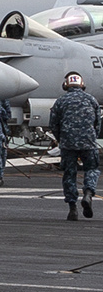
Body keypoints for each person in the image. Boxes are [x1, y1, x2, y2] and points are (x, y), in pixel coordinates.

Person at [51, 73, 101, 221]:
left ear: (66, 85)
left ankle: (72, 208)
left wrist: (61, 139)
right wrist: (92, 137)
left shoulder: (61, 101)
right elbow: (98, 123)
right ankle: (88, 193)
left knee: (69, 174)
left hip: (68, 143)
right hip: (88, 142)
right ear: (82, 84)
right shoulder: (92, 100)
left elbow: (54, 124)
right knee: (91, 169)